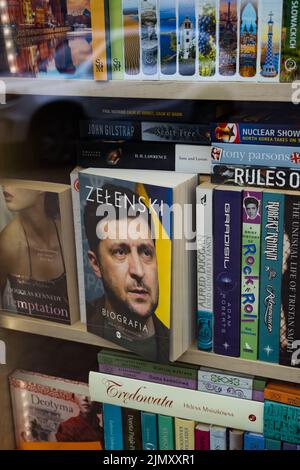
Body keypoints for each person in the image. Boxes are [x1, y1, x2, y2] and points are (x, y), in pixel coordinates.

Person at [84, 184, 169, 363]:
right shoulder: (80, 333)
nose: (138, 271)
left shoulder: (177, 345)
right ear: (95, 263)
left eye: (146, 252)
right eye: (120, 252)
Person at [0, 184, 69, 320]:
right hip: (31, 338)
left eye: (16, 177)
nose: (4, 185)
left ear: (41, 186)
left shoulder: (69, 230)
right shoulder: (6, 246)